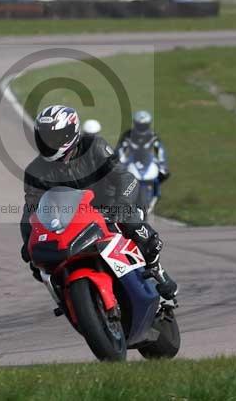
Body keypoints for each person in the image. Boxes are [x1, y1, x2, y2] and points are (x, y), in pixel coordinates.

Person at [19, 105, 178, 300]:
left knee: (134, 225)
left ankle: (157, 270)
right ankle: (66, 297)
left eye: (54, 137)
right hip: (71, 221)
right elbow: (31, 210)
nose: (49, 143)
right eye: (44, 138)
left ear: (71, 133)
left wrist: (122, 203)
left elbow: (125, 178)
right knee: (39, 261)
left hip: (110, 207)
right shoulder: (36, 170)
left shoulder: (93, 146)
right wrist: (28, 240)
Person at [116, 110, 171, 186]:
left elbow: (160, 150)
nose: (141, 128)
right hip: (131, 158)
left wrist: (163, 165)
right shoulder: (127, 135)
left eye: (144, 125)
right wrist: (119, 163)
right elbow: (120, 149)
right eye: (139, 125)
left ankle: (156, 189)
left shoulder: (153, 136)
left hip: (148, 158)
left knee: (164, 173)